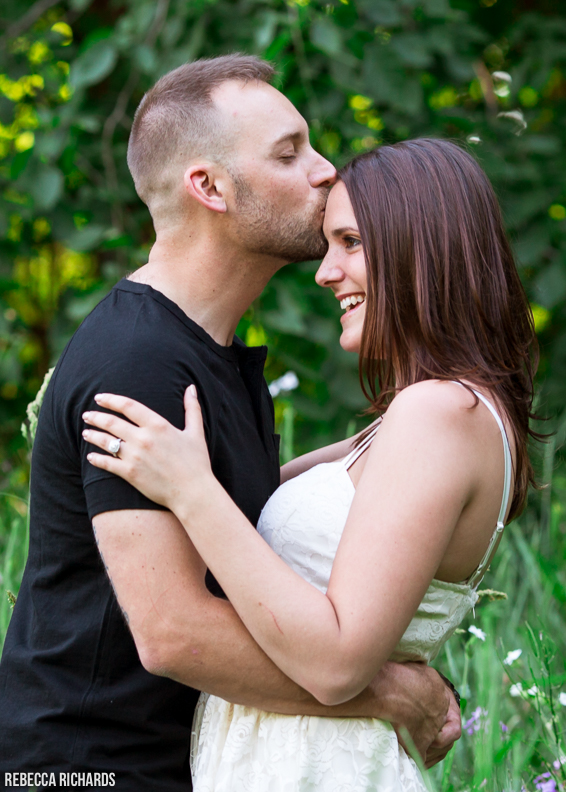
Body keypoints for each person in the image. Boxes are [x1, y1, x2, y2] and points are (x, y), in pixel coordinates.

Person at [0, 58, 458, 791]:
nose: (324, 170)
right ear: (208, 187)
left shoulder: (203, 351)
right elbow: (174, 632)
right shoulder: (137, 362)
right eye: (288, 153)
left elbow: (233, 532)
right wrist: (384, 693)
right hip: (85, 767)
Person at [82, 138, 539, 791]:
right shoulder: (421, 420)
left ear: (423, 245)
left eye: (351, 242)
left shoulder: (441, 415)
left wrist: (189, 491)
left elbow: (335, 662)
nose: (326, 272)